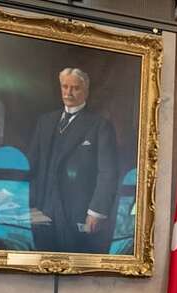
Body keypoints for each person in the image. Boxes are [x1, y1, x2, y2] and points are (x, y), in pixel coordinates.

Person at [27, 67, 119, 254]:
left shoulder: (99, 125)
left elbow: (108, 173)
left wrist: (96, 212)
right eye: (64, 87)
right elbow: (32, 166)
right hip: (42, 209)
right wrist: (31, 205)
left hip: (78, 211)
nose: (68, 93)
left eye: (75, 88)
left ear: (86, 91)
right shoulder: (45, 121)